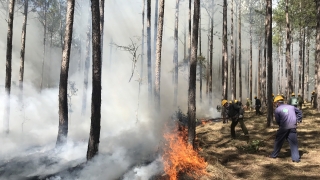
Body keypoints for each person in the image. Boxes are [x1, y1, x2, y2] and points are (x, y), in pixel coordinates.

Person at [269, 95, 302, 163]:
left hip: (284, 127)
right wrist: (298, 120)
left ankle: (274, 155)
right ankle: (296, 159)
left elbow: (278, 120)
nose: (275, 104)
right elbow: (299, 112)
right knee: (294, 143)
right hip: (293, 126)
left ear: (277, 103)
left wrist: (281, 126)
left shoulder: (277, 110)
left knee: (278, 141)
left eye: (275, 103)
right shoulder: (291, 107)